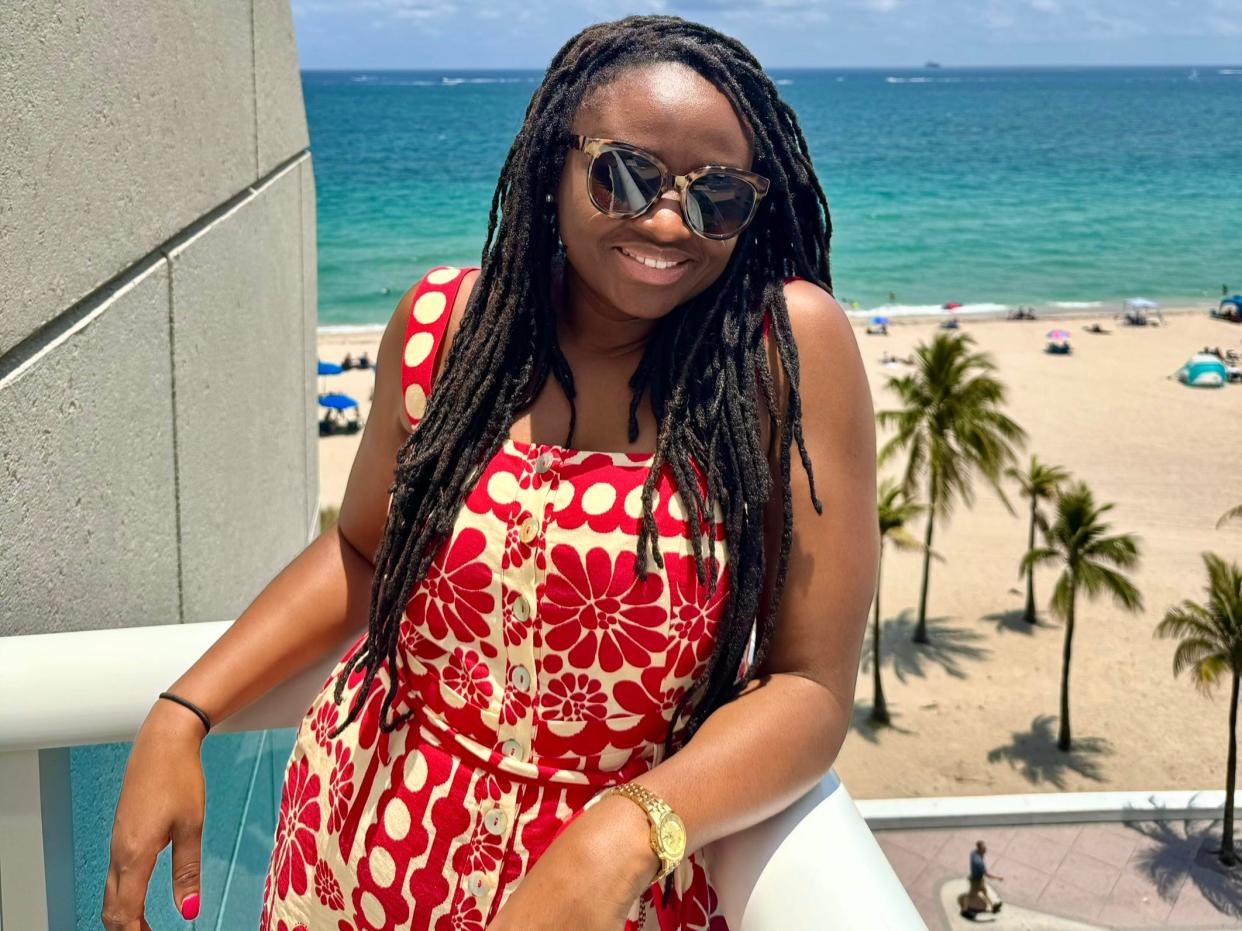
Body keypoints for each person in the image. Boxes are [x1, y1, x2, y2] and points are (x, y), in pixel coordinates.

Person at [101, 15, 878, 931]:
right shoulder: (446, 326)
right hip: (355, 840)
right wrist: (184, 711)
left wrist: (626, 833)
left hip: (594, 897)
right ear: (555, 163)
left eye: (718, 198)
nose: (668, 219)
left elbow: (811, 685)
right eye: (623, 175)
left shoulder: (781, 353)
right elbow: (361, 552)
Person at [958, 840, 1004, 918]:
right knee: (970, 895)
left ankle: (993, 906)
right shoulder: (979, 862)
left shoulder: (973, 853)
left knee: (984, 891)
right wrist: (998, 878)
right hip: (976, 881)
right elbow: (987, 875)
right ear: (980, 849)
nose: (986, 849)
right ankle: (964, 910)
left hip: (978, 878)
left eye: (985, 847)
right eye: (984, 848)